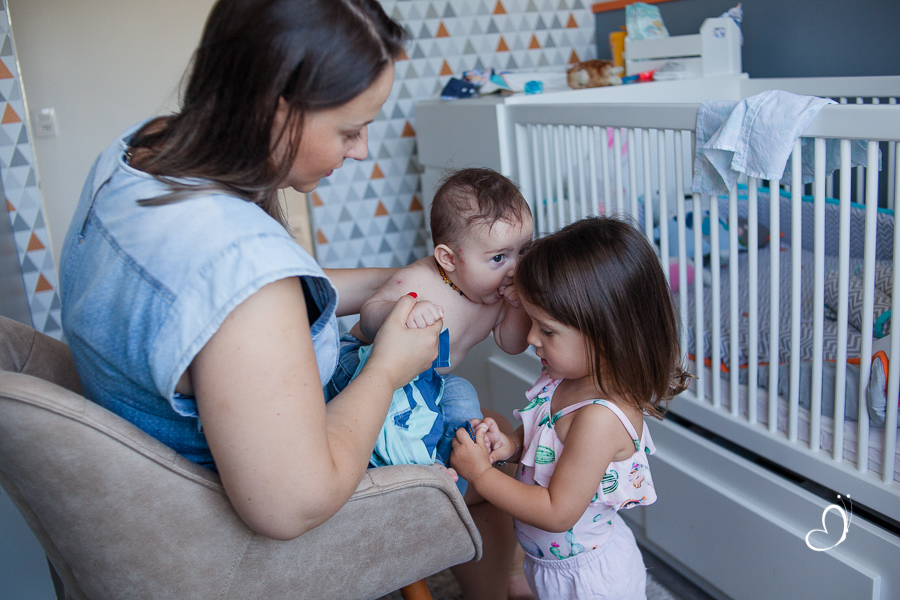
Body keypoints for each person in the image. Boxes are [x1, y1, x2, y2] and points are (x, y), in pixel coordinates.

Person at [58, 1, 516, 597]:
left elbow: (269, 293)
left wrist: (419, 278)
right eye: (350, 130)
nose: (362, 151)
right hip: (233, 533)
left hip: (155, 477)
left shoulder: (144, 155)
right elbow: (292, 505)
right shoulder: (247, 284)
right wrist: (385, 368)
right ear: (277, 109)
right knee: (485, 449)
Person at [450, 216, 693, 600]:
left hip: (589, 581)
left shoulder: (600, 419)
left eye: (546, 330)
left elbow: (556, 512)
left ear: (607, 334)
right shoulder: (563, 378)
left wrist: (481, 475)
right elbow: (544, 436)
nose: (531, 338)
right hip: (549, 565)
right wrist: (511, 445)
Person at [325, 168, 534, 485]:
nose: (514, 269)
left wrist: (520, 303)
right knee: (402, 415)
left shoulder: (497, 296)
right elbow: (367, 316)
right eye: (498, 258)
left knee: (464, 395)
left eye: (522, 251)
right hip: (363, 364)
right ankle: (417, 467)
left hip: (428, 381)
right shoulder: (420, 281)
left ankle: (458, 462)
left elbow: (512, 343)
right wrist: (403, 311)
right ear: (448, 259)